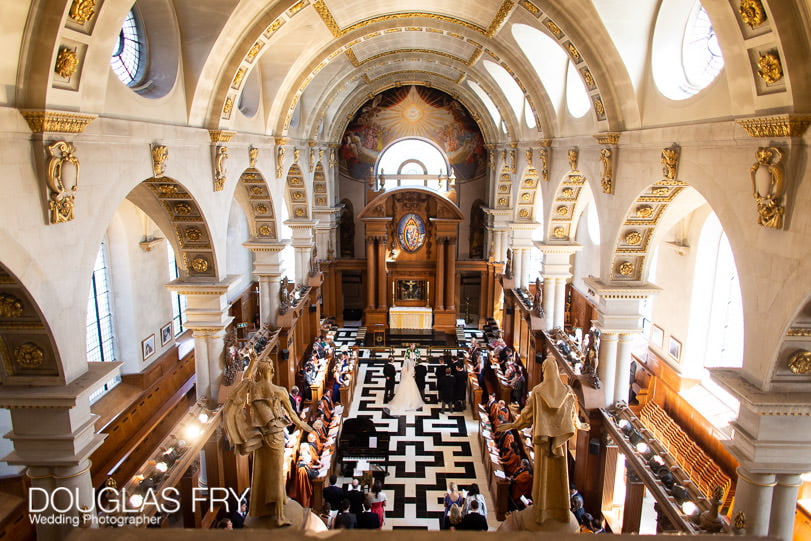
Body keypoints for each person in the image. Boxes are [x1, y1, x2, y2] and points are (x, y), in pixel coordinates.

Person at [222, 355, 313, 527]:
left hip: (262, 436)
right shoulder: (279, 391)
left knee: (265, 471)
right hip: (276, 435)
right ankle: (279, 515)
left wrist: (251, 363)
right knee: (276, 474)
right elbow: (292, 415)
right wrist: (305, 426)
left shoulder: (254, 388)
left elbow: (245, 379)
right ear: (272, 370)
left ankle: (271, 506)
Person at [497, 357, 589, 526]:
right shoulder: (567, 390)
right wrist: (579, 424)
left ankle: (541, 510)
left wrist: (514, 424)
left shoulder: (539, 391)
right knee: (560, 474)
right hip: (558, 444)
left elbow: (527, 415)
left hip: (543, 443)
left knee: (543, 475)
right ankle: (560, 510)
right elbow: (572, 414)